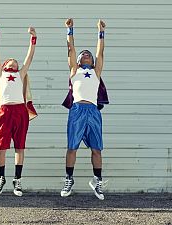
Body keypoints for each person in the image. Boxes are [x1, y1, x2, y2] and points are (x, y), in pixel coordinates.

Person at [0, 22, 37, 197]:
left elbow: (29, 58)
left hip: (20, 111)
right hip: (5, 111)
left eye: (16, 61)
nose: (14, 61)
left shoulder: (21, 74)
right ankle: (1, 178)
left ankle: (17, 179)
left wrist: (33, 38)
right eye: (10, 60)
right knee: (1, 146)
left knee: (20, 146)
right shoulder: (0, 74)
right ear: (5, 65)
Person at [60, 18, 107, 199]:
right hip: (78, 110)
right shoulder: (74, 70)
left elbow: (100, 52)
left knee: (97, 149)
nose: (86, 55)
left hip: (93, 111)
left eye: (89, 54)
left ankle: (97, 180)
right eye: (83, 54)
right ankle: (69, 179)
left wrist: (100, 32)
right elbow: (70, 49)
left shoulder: (96, 71)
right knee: (72, 147)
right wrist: (70, 30)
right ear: (78, 60)